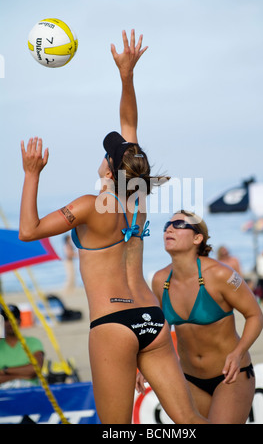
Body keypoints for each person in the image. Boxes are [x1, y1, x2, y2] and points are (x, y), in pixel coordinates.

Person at [19, 30, 207, 424]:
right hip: (152, 321)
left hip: (112, 323)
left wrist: (31, 174)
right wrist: (126, 75)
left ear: (109, 166)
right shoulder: (137, 199)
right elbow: (129, 127)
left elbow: (28, 231)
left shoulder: (90, 207)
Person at [136, 210, 263, 423]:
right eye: (167, 224)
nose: (169, 228)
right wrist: (146, 365)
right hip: (189, 378)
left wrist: (238, 352)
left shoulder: (221, 274)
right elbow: (159, 330)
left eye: (178, 224)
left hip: (231, 375)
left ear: (197, 238)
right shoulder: (160, 280)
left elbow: (255, 316)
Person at [0, 304, 44, 388]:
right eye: (6, 319)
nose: (10, 322)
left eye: (13, 318)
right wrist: (24, 374)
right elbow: (31, 373)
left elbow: (35, 369)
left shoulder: (33, 342)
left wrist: (4, 371)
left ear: (19, 320)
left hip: (29, 393)